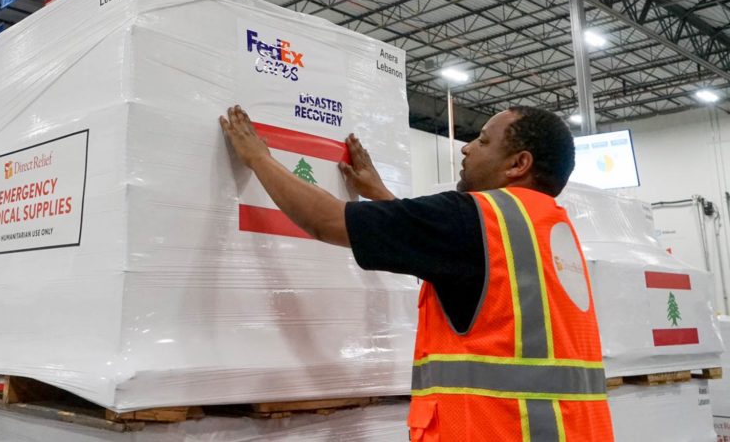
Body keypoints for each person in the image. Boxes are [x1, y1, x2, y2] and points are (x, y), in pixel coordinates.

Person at [219, 105, 614, 441]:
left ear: (518, 164)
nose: (466, 147)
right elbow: (463, 270)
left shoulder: (474, 217)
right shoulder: (550, 228)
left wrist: (258, 157)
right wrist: (381, 198)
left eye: (483, 141)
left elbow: (326, 221)